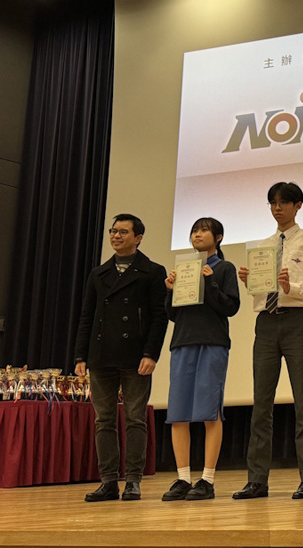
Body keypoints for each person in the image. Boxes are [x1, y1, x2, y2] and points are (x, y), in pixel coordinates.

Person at [233, 181, 303, 500]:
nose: (277, 208)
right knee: (261, 404)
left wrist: (292, 289)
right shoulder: (262, 246)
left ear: (298, 205)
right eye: (273, 202)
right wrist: (250, 282)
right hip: (266, 322)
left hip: (296, 319)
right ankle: (257, 480)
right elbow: (260, 291)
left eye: (284, 202)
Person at [74, 213, 168, 502]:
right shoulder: (98, 273)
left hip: (136, 356)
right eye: (113, 231)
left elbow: (159, 317)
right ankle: (108, 481)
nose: (116, 236)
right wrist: (80, 355)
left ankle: (134, 481)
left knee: (135, 419)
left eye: (123, 232)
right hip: (101, 355)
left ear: (138, 238)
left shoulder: (153, 271)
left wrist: (151, 353)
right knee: (103, 420)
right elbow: (87, 317)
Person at [161, 218, 240, 501]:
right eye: (194, 230)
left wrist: (210, 282)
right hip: (183, 341)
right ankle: (183, 478)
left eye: (204, 230)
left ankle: (207, 479)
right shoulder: (184, 268)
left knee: (209, 412)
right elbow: (173, 314)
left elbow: (230, 307)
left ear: (218, 237)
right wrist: (170, 292)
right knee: (178, 412)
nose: (197, 234)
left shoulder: (224, 268)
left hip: (212, 342)